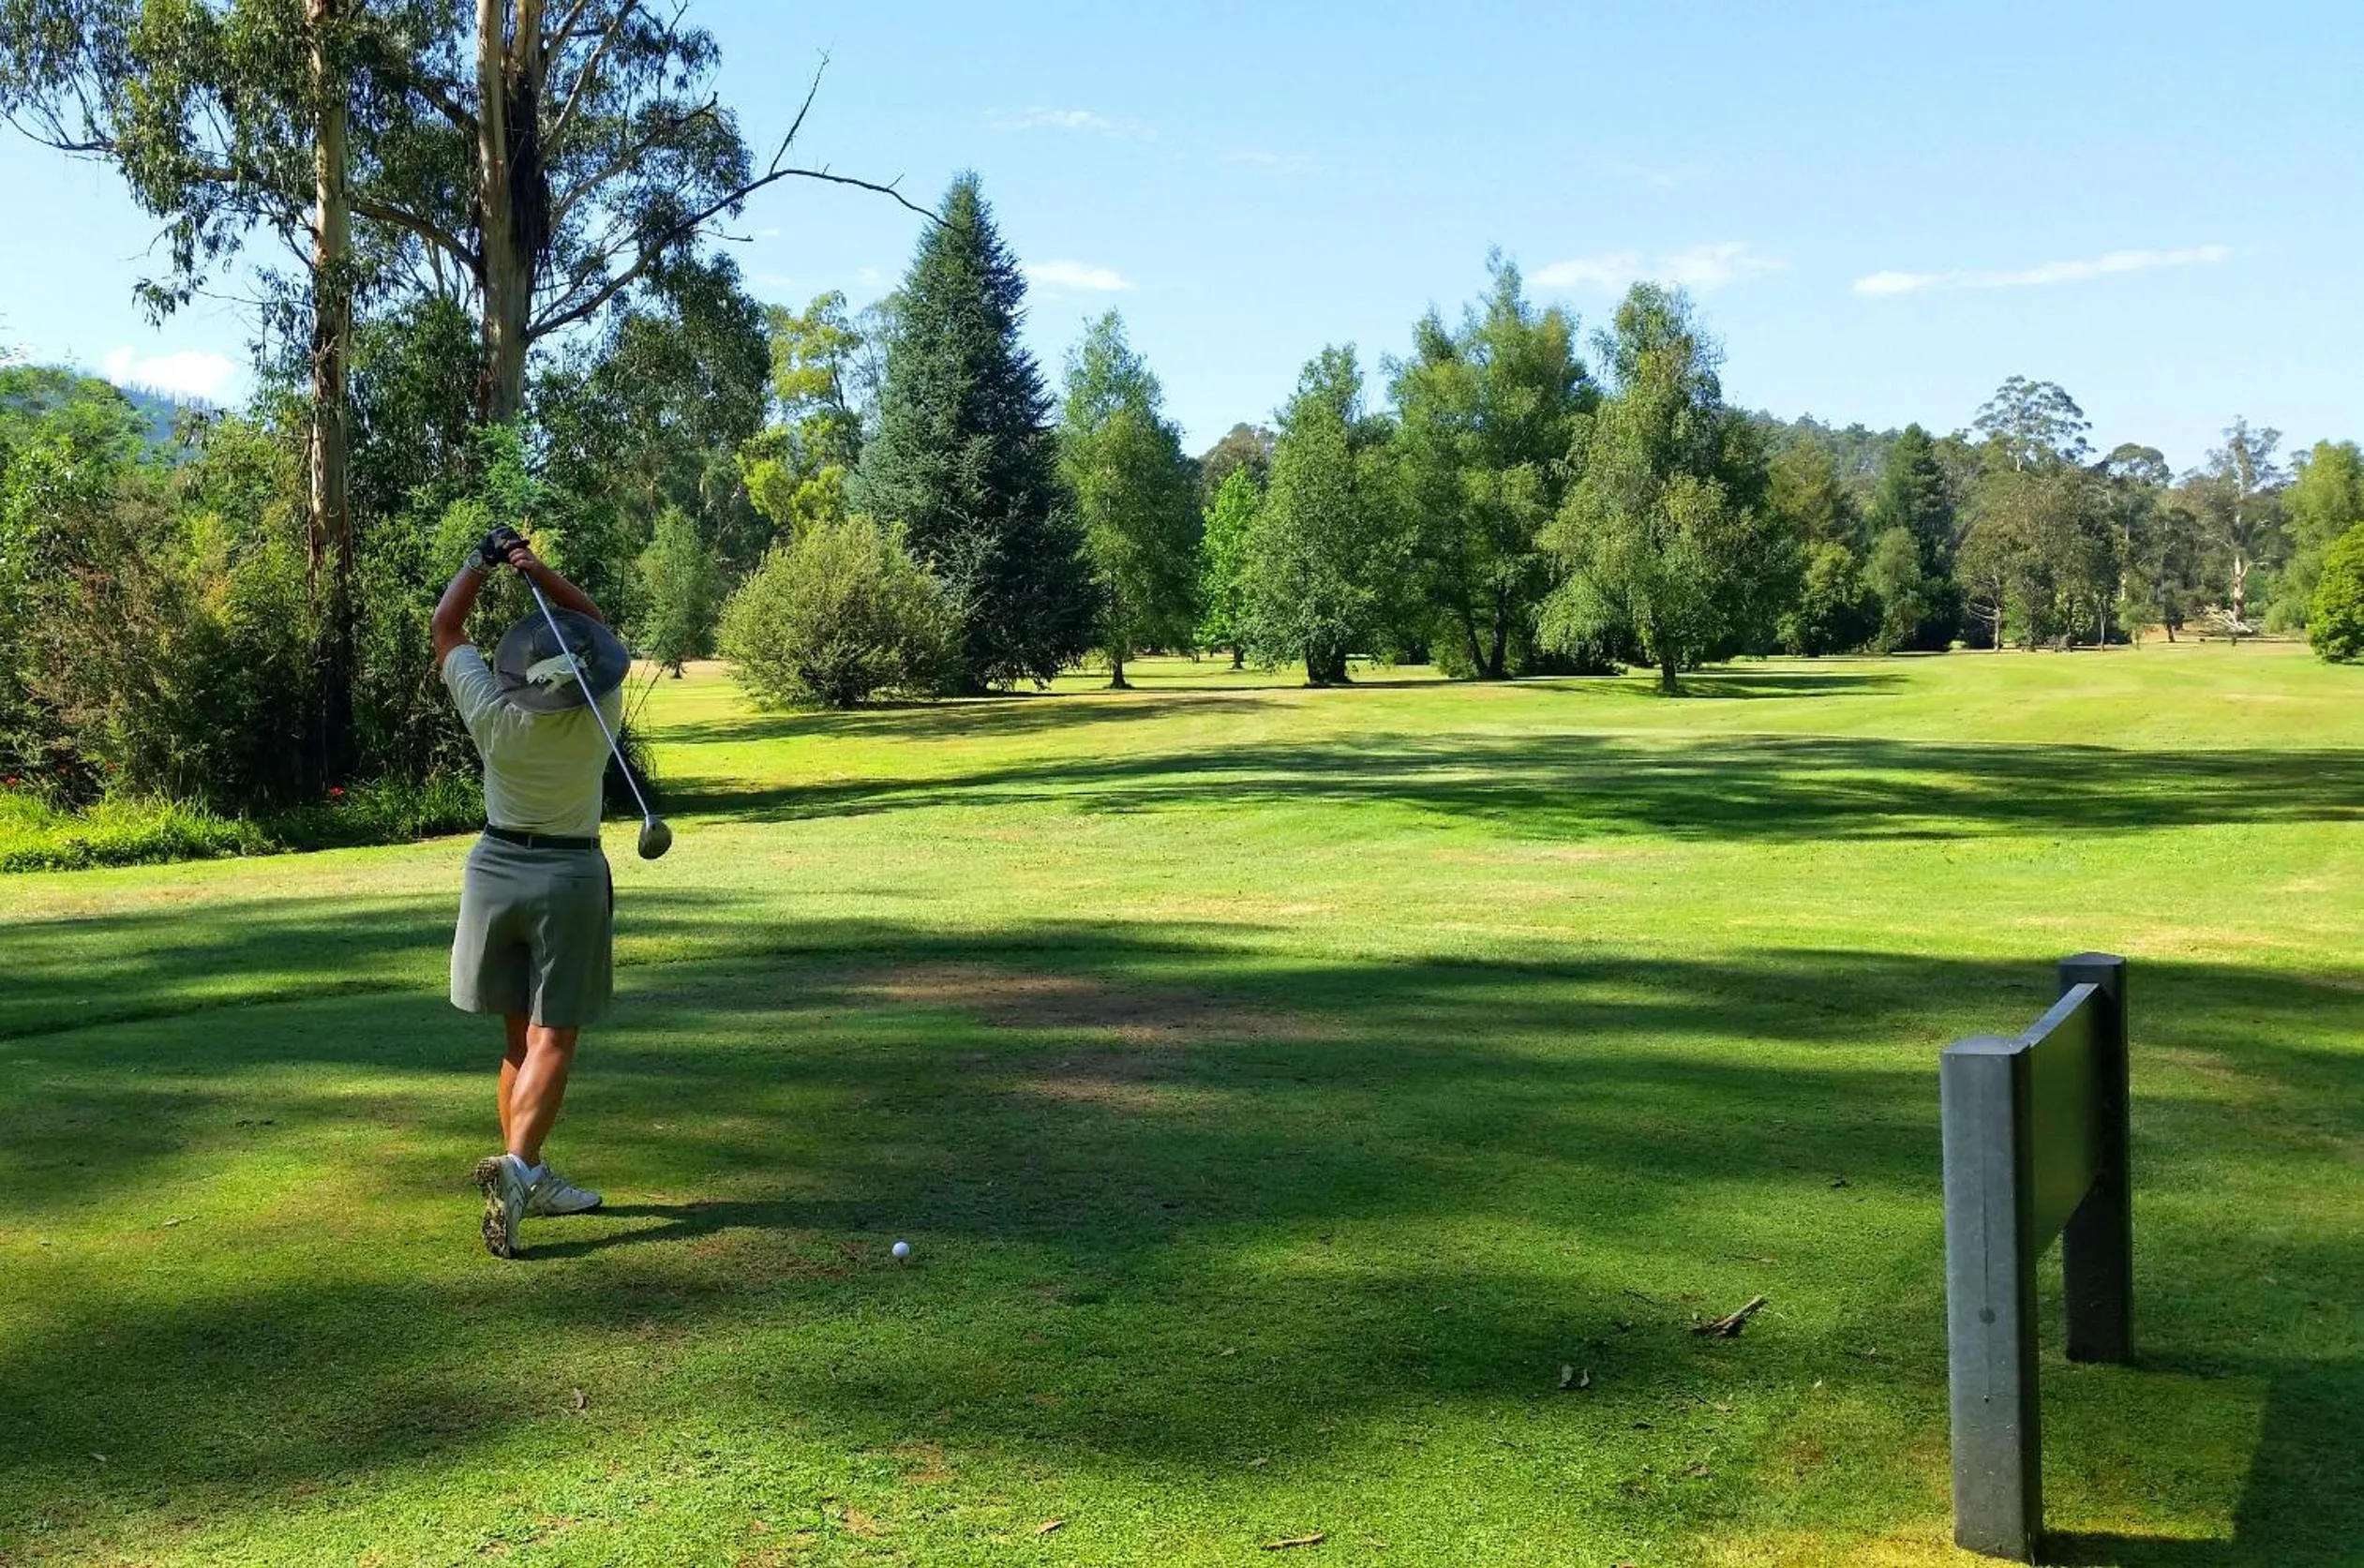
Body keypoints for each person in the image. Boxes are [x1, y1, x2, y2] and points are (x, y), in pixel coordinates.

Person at [430, 524, 633, 1258]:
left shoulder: (492, 708)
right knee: (556, 1035)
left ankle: (532, 1173)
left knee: (518, 1037)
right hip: (568, 875)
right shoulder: (598, 712)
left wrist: (480, 565)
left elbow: (446, 626)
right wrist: (537, 571)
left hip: (493, 874)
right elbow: (599, 631)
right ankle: (517, 1171)